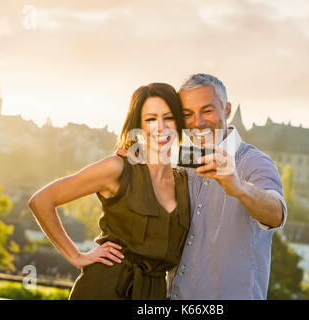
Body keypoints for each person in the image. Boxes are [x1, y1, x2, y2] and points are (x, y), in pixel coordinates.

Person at [111, 73, 288, 299]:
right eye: (187, 114)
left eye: (207, 111)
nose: (198, 122)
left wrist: (238, 187)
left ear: (227, 110)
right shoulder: (181, 164)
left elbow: (276, 214)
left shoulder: (253, 162)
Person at [27, 83, 190, 300]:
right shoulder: (118, 168)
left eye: (168, 117)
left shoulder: (186, 183)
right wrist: (76, 256)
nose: (160, 126)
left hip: (153, 296)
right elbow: (42, 201)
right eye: (150, 119)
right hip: (103, 289)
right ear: (138, 125)